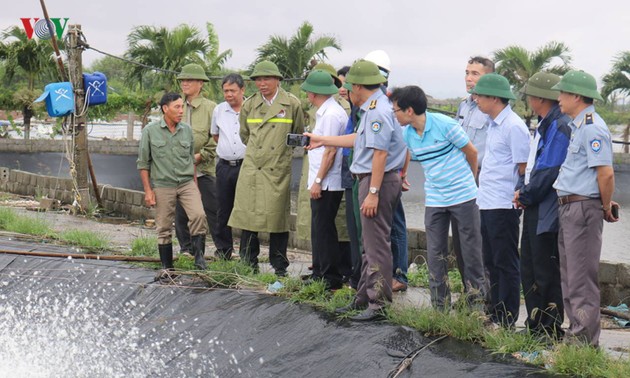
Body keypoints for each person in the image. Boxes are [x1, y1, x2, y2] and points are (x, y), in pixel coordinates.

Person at [306, 59, 406, 321]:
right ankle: (363, 296)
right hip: (371, 180)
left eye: (350, 88)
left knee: (376, 245)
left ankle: (378, 304)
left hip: (377, 181)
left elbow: (380, 154)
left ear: (359, 87)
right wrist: (322, 140)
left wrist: (373, 191)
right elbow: (358, 140)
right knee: (367, 244)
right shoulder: (372, 108)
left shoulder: (377, 112)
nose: (348, 93)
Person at [390, 85, 486, 310]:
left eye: (396, 111)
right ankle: (440, 309)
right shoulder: (408, 133)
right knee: (435, 253)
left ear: (409, 111)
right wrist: (403, 175)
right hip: (435, 199)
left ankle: (477, 308)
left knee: (471, 253)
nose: (394, 115)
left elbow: (471, 152)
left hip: (463, 196)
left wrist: (470, 181)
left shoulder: (445, 125)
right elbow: (406, 152)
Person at [552, 70, 619, 347]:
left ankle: (583, 345)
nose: (558, 99)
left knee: (581, 279)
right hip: (570, 207)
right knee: (570, 277)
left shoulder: (592, 127)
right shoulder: (580, 125)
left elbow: (605, 173)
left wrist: (605, 206)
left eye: (563, 93)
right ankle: (575, 335)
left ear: (576, 96)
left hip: (582, 208)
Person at [228, 60, 305, 277]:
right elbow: (245, 134)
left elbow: (297, 134)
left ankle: (279, 266)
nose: (262, 83)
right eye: (258, 79)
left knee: (277, 219)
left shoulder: (292, 104)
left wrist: (281, 155)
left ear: (277, 80)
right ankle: (248, 262)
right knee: (248, 217)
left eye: (266, 79)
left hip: (277, 169)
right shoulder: (250, 104)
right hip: (253, 166)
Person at [513, 72, 571, 338]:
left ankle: (549, 327)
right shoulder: (546, 123)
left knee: (544, 265)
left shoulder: (559, 126)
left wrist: (525, 194)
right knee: (530, 264)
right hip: (536, 202)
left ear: (538, 98)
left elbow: (549, 170)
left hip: (546, 206)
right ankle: (535, 324)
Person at [472, 73, 530, 328]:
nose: (475, 100)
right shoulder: (494, 124)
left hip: (504, 205)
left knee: (505, 262)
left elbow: (523, 168)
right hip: (487, 201)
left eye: (480, 96)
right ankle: (495, 311)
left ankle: (507, 317)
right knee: (490, 260)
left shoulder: (514, 126)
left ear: (494, 98)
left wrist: (517, 198)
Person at [137, 92, 207, 271]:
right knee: (164, 226)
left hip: (186, 183)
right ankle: (167, 268)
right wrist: (148, 191)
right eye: (177, 107)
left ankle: (199, 260)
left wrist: (195, 187)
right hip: (163, 184)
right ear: (165, 109)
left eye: (182, 106)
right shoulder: (150, 131)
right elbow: (143, 163)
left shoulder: (187, 131)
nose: (181, 111)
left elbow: (190, 161)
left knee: (198, 215)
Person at [295, 62, 352, 282]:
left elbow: (330, 151)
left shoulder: (330, 114)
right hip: (323, 179)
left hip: (327, 181)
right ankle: (320, 271)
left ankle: (329, 276)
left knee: (325, 229)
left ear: (313, 92)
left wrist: (318, 180)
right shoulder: (326, 111)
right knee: (320, 228)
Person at [364, 49, 410, 293]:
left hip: (388, 175)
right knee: (386, 228)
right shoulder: (376, 103)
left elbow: (401, 143)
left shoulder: (386, 104)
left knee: (395, 226)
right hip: (387, 173)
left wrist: (402, 174)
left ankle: (399, 275)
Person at [452, 56, 494, 292]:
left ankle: (483, 296)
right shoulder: (464, 105)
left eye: (475, 74)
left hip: (479, 179)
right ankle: (469, 292)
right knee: (460, 241)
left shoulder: (490, 110)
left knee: (477, 241)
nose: (469, 78)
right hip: (459, 179)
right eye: (467, 72)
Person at [174, 64, 218, 257]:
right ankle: (186, 249)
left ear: (200, 83)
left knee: (213, 209)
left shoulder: (211, 108)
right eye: (183, 80)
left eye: (189, 80)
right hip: (178, 169)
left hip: (204, 169)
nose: (185, 83)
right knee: (181, 211)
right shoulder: (175, 105)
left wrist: (201, 156)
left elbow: (216, 138)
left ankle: (223, 249)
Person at [210, 73, 246, 260]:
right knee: (223, 209)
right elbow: (216, 135)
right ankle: (224, 250)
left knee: (247, 209)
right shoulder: (219, 110)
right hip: (224, 167)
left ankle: (248, 254)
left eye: (232, 90)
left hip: (246, 166)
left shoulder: (250, 109)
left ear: (242, 90)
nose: (229, 94)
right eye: (225, 91)